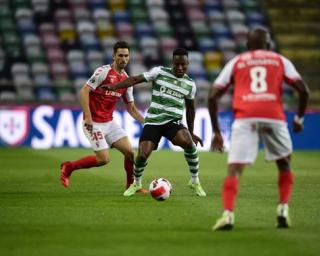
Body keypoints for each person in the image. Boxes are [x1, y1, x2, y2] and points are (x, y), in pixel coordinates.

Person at [208, 27, 310, 230]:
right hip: (274, 116)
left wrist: (217, 132)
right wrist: (298, 118)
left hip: (245, 116)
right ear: (269, 45)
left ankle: (228, 215)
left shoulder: (238, 61)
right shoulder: (280, 60)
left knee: (234, 170)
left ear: (247, 45)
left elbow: (213, 95)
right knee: (285, 164)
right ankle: (282, 209)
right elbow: (303, 90)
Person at [102, 48, 206, 197]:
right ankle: (136, 183)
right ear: (173, 63)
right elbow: (136, 79)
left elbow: (190, 109)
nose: (180, 67)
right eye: (177, 64)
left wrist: (191, 131)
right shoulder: (159, 72)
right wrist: (115, 86)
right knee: (143, 154)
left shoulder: (190, 84)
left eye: (183, 64)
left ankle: (195, 181)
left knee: (189, 143)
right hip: (153, 122)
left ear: (188, 63)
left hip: (173, 121)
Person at [60, 41, 147, 193]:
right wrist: (87, 117)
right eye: (120, 55)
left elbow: (131, 108)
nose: (123, 59)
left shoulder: (127, 81)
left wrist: (146, 123)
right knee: (103, 159)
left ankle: (131, 186)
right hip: (93, 122)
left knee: (130, 153)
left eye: (126, 56)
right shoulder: (103, 72)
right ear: (114, 56)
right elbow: (84, 91)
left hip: (109, 122)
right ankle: (69, 167)